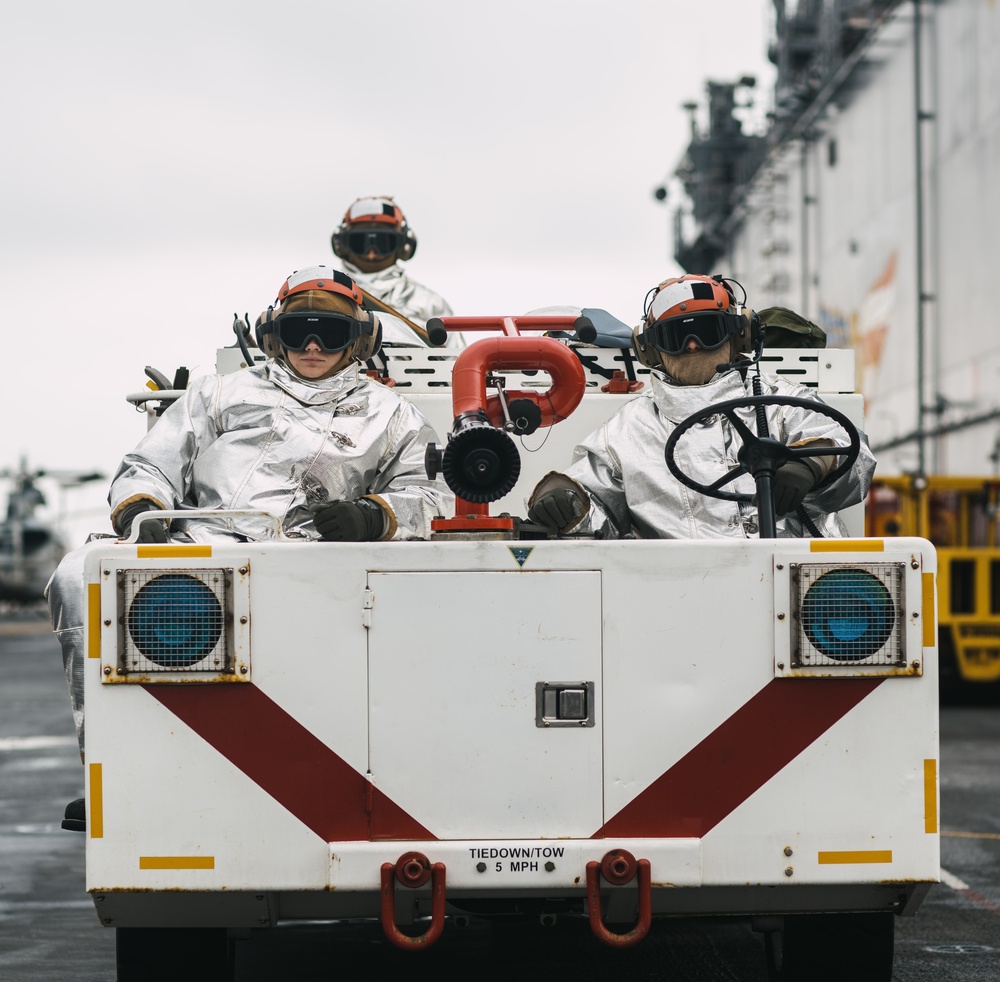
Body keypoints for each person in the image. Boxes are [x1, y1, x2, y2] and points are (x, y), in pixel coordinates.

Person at [48, 266, 447, 754]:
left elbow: (431, 495)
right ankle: (109, 760)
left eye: (331, 332)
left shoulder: (393, 415)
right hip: (198, 546)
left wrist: (373, 516)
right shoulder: (219, 392)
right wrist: (142, 514)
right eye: (299, 332)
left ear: (361, 340)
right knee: (77, 575)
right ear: (273, 336)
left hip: (313, 558)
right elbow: (151, 462)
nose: (314, 346)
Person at [526, 276, 874, 541]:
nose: (692, 345)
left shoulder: (785, 403)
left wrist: (811, 465)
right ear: (651, 351)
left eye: (708, 331)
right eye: (675, 336)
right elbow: (597, 514)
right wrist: (567, 501)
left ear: (739, 337)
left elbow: (851, 457)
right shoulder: (624, 433)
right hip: (683, 598)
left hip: (805, 592)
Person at [331, 195, 463, 344]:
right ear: (342, 245)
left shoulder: (430, 304)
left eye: (383, 243)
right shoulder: (325, 296)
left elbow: (456, 360)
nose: (371, 254)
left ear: (403, 246)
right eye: (360, 242)